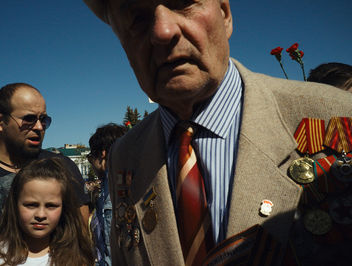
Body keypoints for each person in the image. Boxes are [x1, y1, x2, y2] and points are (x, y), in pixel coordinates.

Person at [83, 0, 352, 265]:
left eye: (183, 2)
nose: (163, 31)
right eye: (137, 19)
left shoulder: (337, 115)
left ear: (225, 14)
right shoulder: (125, 155)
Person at [0, 83, 90, 265]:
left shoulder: (64, 168)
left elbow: (81, 238)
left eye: (44, 120)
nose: (39, 127)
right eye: (29, 119)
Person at [0, 157, 94, 266]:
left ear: (64, 208)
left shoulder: (76, 258)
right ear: (14, 205)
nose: (40, 215)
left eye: (51, 206)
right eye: (31, 205)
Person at [87, 123, 127, 266]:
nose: (91, 163)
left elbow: (111, 247)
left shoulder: (113, 188)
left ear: (102, 154)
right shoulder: (122, 179)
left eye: (91, 157)